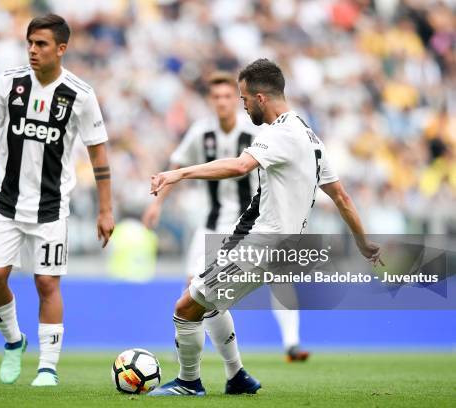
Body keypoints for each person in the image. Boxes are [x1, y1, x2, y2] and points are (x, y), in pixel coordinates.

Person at [148, 59, 382, 396]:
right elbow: (342, 197)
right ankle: (237, 376)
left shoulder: (280, 133)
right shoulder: (311, 137)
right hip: (282, 246)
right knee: (212, 304)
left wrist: (179, 173)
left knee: (185, 308)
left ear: (260, 98)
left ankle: (188, 382)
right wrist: (363, 242)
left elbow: (241, 165)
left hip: (260, 245)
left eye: (244, 99)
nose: (243, 107)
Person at [0, 14, 114, 387]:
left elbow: (99, 155)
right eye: (30, 43)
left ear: (61, 49)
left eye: (42, 44)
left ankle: (47, 368)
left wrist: (105, 209)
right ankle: (14, 341)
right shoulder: (9, 83)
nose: (33, 50)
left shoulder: (80, 95)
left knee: (47, 284)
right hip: (5, 201)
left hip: (51, 207)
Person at [143, 72, 311, 367]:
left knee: (281, 279)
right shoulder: (201, 132)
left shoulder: (258, 131)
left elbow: (250, 166)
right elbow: (176, 164)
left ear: (236, 100)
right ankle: (187, 346)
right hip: (211, 223)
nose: (221, 102)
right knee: (193, 287)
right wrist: (158, 204)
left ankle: (291, 342)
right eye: (216, 97)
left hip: (251, 226)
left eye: (227, 97)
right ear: (210, 100)